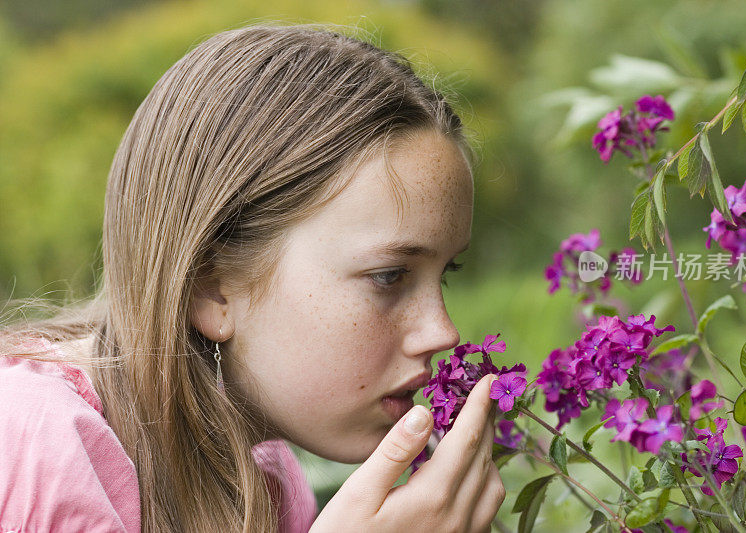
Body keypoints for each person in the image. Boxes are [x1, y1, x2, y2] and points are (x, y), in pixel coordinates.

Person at [0, 22, 505, 532]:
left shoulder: (269, 481)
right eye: (390, 276)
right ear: (211, 286)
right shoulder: (34, 437)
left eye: (443, 274)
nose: (444, 332)